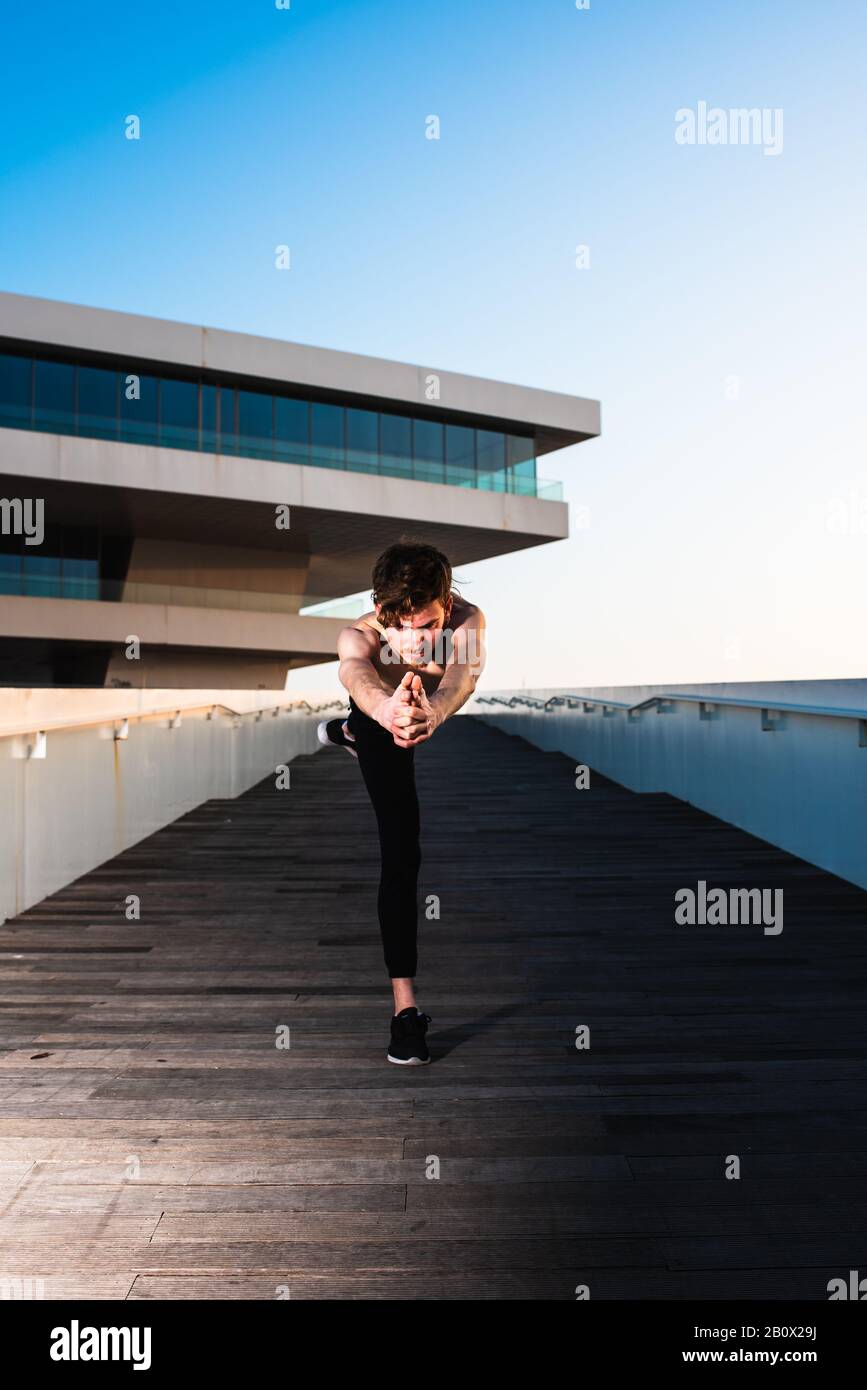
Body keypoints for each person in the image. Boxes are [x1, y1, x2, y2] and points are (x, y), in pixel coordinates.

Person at [317, 539, 485, 1064]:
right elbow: (355, 672)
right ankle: (405, 1010)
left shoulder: (467, 622)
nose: (414, 640)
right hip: (377, 714)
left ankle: (347, 733)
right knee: (402, 851)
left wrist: (431, 713)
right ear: (379, 608)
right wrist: (384, 712)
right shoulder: (359, 633)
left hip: (423, 708)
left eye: (427, 626)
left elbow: (465, 674)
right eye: (401, 626)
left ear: (448, 606)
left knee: (398, 731)